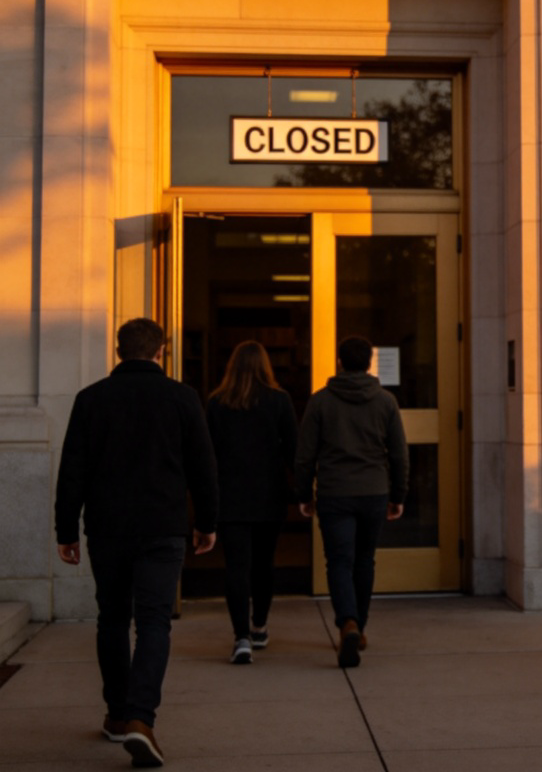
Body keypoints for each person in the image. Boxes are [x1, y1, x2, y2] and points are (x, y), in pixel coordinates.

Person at [54, 318, 218, 769]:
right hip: (162, 526)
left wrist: (65, 530)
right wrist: (207, 521)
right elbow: (203, 467)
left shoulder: (91, 400)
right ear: (161, 351)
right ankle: (141, 720)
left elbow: (73, 471)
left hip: (107, 527)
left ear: (118, 350)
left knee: (111, 618)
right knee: (153, 624)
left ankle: (117, 713)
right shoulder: (182, 398)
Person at [295, 335, 408, 668]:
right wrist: (398, 495)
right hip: (374, 491)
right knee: (364, 560)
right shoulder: (386, 402)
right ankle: (359, 624)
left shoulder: (320, 402)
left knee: (339, 561)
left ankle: (348, 622)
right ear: (369, 363)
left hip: (334, 492)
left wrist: (304, 494)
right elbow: (399, 455)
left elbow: (305, 456)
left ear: (340, 362)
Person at [206, 340, 297, 665]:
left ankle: (240, 636)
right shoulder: (279, 400)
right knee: (264, 564)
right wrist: (302, 494)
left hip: (230, 496)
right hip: (268, 494)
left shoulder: (217, 403)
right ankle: (259, 625)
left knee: (236, 567)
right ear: (265, 366)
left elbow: (209, 456)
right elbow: (293, 451)